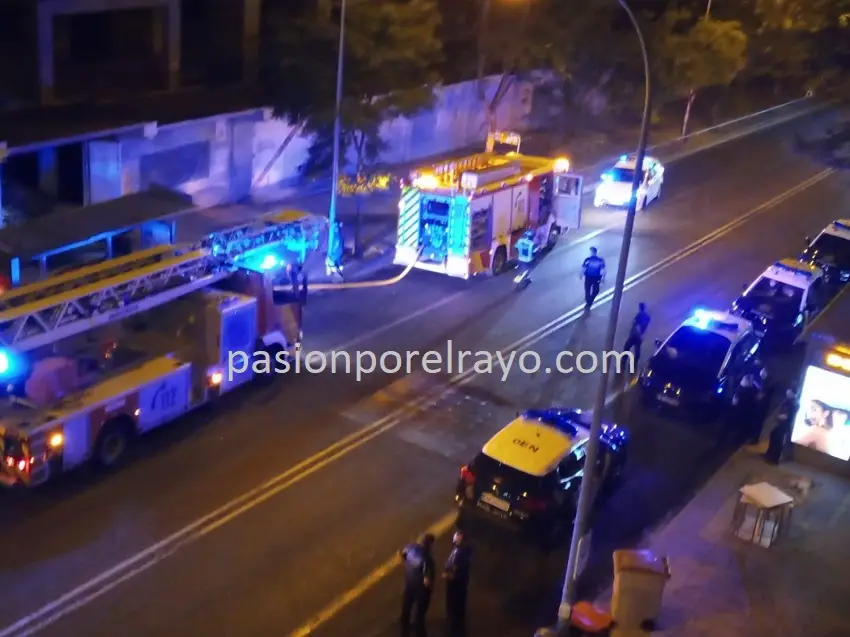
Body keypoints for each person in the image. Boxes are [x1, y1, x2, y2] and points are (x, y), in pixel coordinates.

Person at [399, 533, 436, 637]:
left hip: (410, 582)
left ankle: (404, 628)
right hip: (421, 589)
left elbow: (403, 555)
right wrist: (431, 588)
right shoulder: (428, 559)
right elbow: (427, 580)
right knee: (420, 613)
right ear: (430, 544)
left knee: (407, 606)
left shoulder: (411, 548)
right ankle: (419, 632)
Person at [443, 530, 472, 637]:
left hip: (456, 585)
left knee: (455, 606)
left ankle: (455, 629)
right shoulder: (458, 550)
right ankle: (455, 625)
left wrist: (448, 575)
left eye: (456, 537)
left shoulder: (461, 554)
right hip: (457, 584)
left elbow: (458, 571)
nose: (453, 539)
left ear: (461, 540)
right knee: (455, 606)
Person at [765, 389, 798, 464]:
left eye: (790, 392)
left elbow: (787, 415)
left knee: (778, 440)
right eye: (788, 391)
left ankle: (774, 458)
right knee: (774, 436)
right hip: (781, 422)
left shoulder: (792, 403)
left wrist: (778, 416)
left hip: (784, 424)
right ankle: (770, 454)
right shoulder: (789, 401)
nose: (787, 393)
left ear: (793, 393)